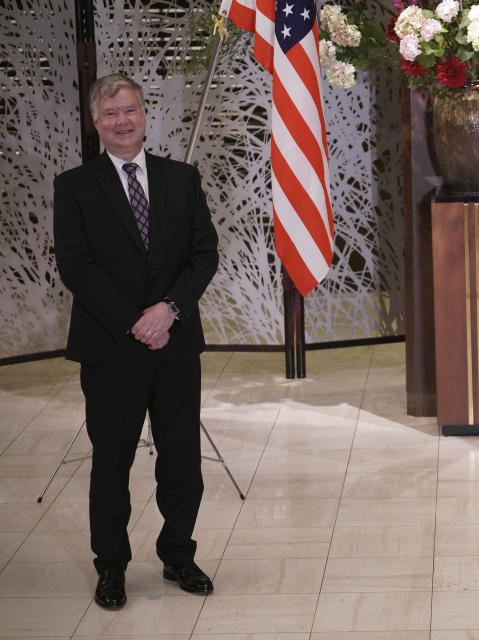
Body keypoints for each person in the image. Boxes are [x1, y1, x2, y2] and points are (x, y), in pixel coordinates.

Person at [53, 73, 219, 609]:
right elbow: (76, 267)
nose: (121, 122)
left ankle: (178, 554)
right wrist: (135, 321)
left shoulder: (182, 179)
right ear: (95, 124)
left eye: (129, 111)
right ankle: (112, 566)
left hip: (175, 343)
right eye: (110, 115)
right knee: (111, 464)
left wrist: (167, 311)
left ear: (144, 115)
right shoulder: (74, 187)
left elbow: (204, 256)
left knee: (181, 460)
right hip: (111, 348)